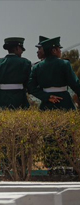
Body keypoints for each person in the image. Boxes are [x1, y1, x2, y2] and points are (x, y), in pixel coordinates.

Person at [28, 37, 80, 172]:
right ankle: (67, 165)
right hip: (64, 101)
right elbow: (75, 84)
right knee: (67, 134)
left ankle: (52, 165)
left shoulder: (37, 67)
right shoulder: (64, 64)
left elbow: (31, 88)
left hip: (47, 104)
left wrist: (46, 97)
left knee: (49, 135)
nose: (60, 52)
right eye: (59, 49)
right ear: (54, 50)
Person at [0, 37, 31, 110]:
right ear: (17, 48)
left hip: (2, 99)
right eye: (21, 49)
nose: (22, 52)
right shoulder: (25, 63)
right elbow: (28, 84)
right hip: (20, 99)